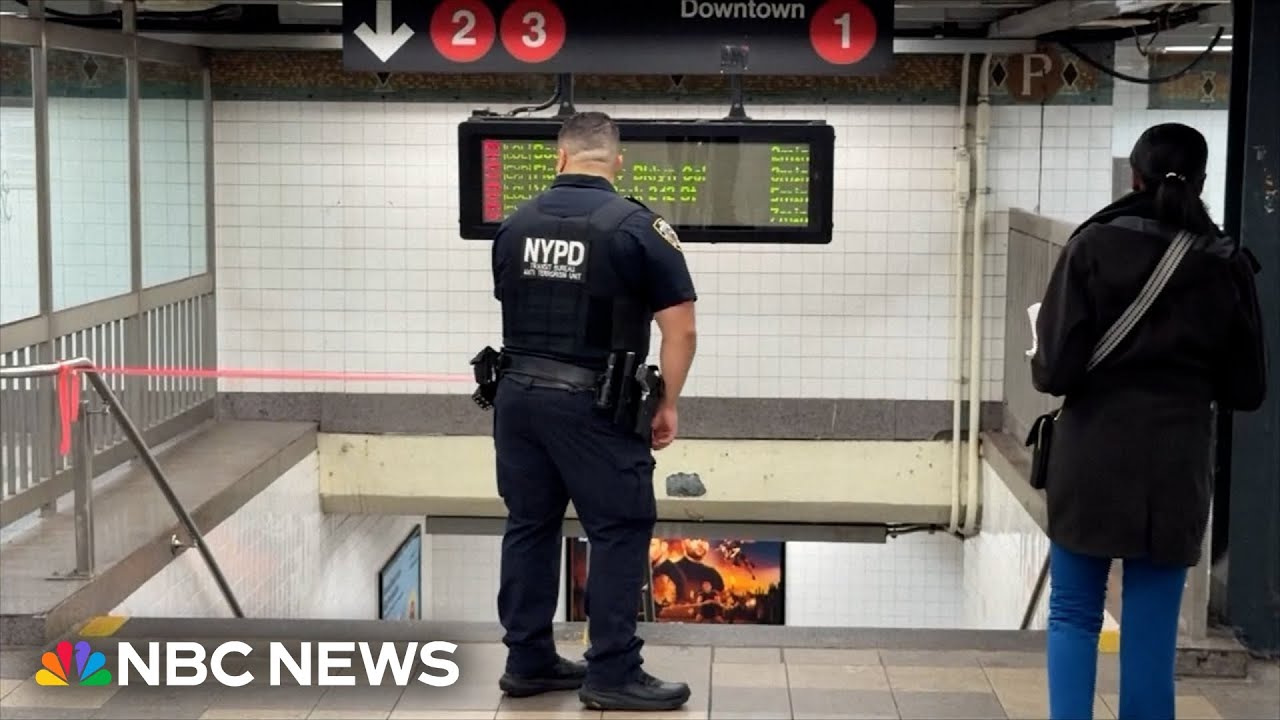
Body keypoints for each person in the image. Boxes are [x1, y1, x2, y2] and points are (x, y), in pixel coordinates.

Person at [1030, 122, 1266, 720]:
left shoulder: (1092, 245)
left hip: (1091, 456)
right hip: (1176, 464)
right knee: (1151, 630)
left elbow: (1054, 371)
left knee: (1074, 613)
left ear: (1134, 177)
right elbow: (1247, 389)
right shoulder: (1226, 262)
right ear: (1203, 182)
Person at [486, 111, 698, 712]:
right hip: (594, 405)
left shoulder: (515, 224)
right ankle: (612, 671)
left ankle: (527, 661)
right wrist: (668, 402)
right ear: (617, 162)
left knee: (529, 524)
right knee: (618, 529)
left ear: (560, 157)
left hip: (516, 396)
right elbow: (680, 331)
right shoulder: (639, 227)